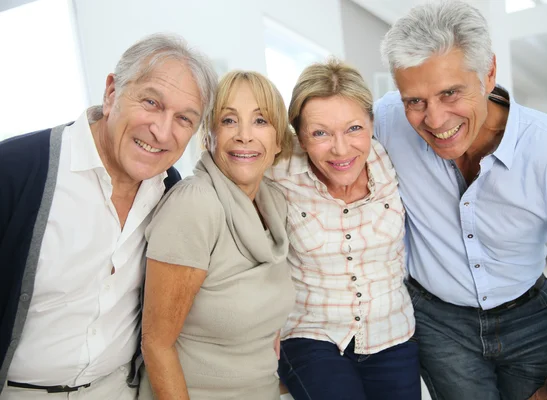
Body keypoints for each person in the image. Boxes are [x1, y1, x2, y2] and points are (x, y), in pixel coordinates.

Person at [376, 2, 547, 400]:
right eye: (414, 101)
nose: (435, 119)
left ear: (489, 73)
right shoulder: (383, 122)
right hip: (438, 326)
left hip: (528, 319)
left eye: (450, 93)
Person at [0, 33, 217, 399]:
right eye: (151, 102)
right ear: (112, 92)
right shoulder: (14, 169)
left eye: (184, 118)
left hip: (118, 390)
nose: (162, 131)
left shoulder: (171, 190)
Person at [268, 59, 420, 400]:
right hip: (312, 334)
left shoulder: (392, 159)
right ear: (300, 137)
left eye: (354, 128)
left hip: (392, 330)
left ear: (371, 122)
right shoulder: (278, 170)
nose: (340, 149)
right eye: (320, 133)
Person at [138, 70, 295, 400]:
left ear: (278, 140)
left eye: (261, 121)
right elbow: (156, 343)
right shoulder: (195, 204)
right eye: (228, 121)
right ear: (208, 136)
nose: (244, 136)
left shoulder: (274, 202)